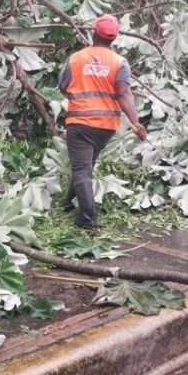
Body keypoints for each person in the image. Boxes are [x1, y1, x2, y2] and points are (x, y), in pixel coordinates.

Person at [58, 14, 147, 232]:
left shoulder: (76, 58)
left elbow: (62, 86)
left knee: (81, 169)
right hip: (105, 126)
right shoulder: (120, 63)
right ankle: (67, 202)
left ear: (94, 33)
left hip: (79, 122)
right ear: (114, 38)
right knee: (85, 167)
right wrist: (136, 124)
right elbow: (125, 95)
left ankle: (87, 220)